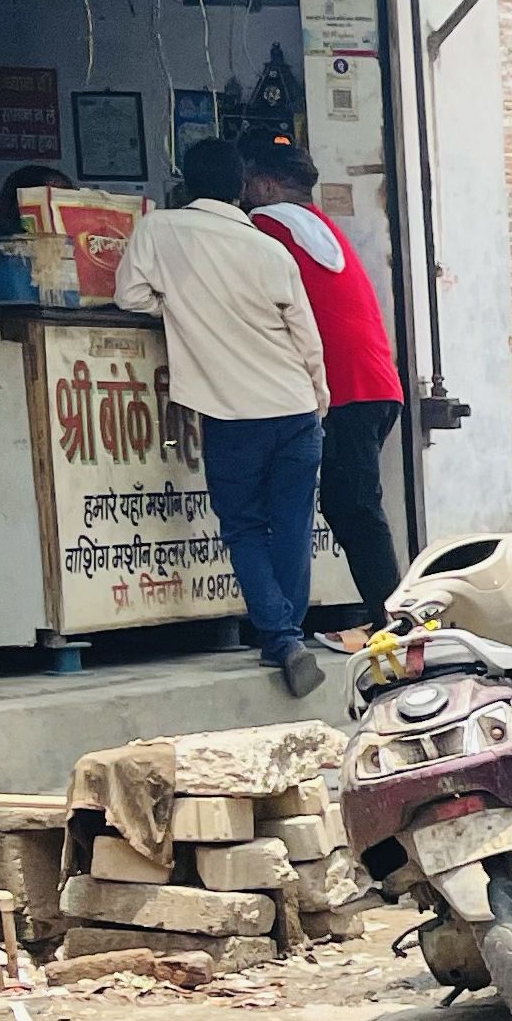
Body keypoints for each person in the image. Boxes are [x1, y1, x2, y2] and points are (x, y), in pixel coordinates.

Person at [113, 140, 329, 694]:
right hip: (294, 404)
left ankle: (281, 638)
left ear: (184, 181)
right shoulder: (267, 249)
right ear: (240, 187)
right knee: (293, 525)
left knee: (244, 527)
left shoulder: (159, 230)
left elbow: (129, 295)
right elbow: (305, 334)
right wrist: (319, 393)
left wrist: (180, 308)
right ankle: (289, 634)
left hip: (233, 413)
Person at [238, 140, 407, 623]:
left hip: (344, 389)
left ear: (267, 185)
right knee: (348, 504)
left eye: (248, 183)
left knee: (353, 507)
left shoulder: (268, 226)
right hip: (375, 384)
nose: (244, 194)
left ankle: (395, 620)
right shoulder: (322, 227)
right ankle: (386, 614)